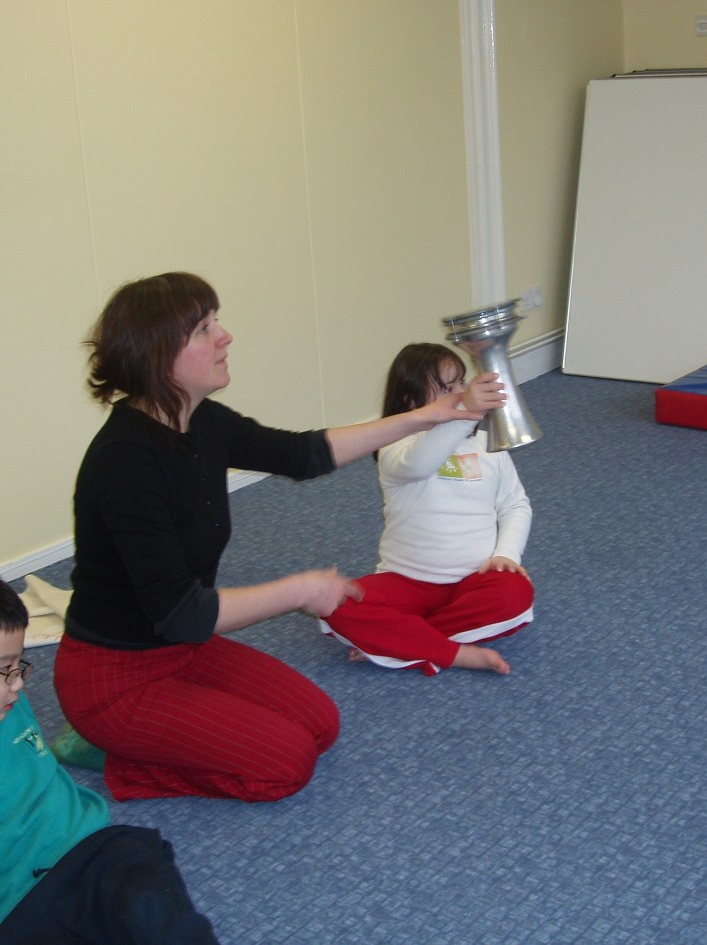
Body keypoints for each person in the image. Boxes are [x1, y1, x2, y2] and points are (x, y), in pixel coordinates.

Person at [53, 273, 503, 802]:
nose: (225, 336)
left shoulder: (201, 422)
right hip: (115, 678)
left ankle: (155, 736)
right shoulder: (126, 462)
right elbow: (184, 612)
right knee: (284, 766)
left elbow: (304, 454)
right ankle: (117, 759)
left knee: (321, 725)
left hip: (182, 651)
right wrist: (303, 591)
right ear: (157, 354)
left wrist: (428, 415)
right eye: (203, 328)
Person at [0, 579, 220, 944]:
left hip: (89, 851)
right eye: (3, 670)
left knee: (148, 897)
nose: (18, 684)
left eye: (17, 665)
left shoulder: (10, 701)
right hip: (20, 903)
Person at [319, 343, 534, 676]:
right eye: (447, 389)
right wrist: (467, 413)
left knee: (516, 593)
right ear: (410, 402)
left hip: (474, 579)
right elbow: (421, 464)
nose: (462, 394)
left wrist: (507, 554)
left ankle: (405, 642)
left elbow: (515, 504)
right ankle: (451, 651)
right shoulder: (394, 445)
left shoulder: (485, 444)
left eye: (462, 383)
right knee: (332, 602)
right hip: (406, 581)